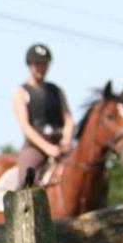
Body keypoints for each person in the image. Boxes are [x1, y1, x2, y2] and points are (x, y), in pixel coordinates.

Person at [12, 43, 74, 187]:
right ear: (30, 65)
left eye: (44, 64)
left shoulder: (56, 91)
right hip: (36, 146)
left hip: (60, 143)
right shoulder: (21, 92)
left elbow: (68, 119)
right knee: (25, 180)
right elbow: (25, 127)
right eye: (37, 64)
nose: (41, 68)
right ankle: (20, 208)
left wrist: (66, 139)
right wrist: (47, 148)